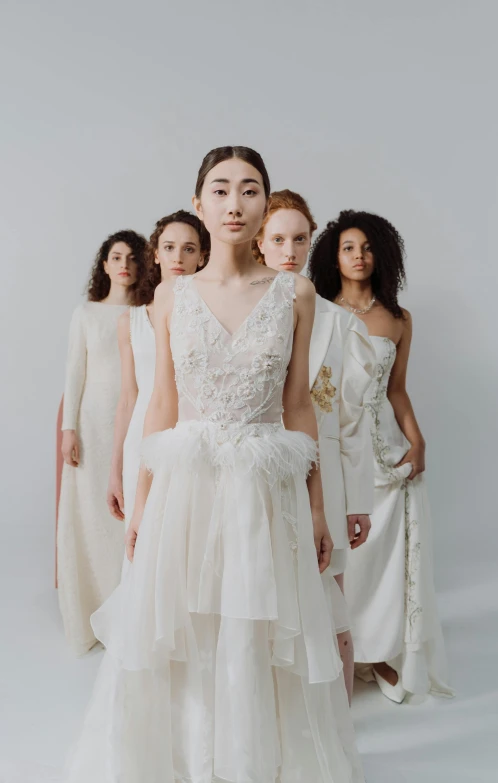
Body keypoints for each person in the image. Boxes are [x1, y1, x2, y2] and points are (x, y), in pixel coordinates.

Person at [55, 147, 364, 782]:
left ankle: (257, 761)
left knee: (255, 626)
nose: (234, 203)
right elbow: (162, 403)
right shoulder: (171, 296)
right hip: (185, 486)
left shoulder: (295, 293)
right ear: (200, 205)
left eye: (250, 191)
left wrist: (315, 506)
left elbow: (299, 403)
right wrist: (141, 502)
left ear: (265, 205)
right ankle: (187, 763)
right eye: (220, 190)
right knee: (184, 625)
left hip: (263, 488)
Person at [309, 209, 454, 703]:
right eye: (348, 247)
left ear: (382, 255)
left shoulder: (397, 318)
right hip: (337, 451)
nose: (358, 256)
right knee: (347, 561)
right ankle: (337, 654)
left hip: (387, 452)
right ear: (333, 254)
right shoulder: (316, 310)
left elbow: (397, 390)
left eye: (368, 247)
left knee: (385, 561)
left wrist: (418, 440)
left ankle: (378, 654)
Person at [254, 190, 375, 703]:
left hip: (323, 475)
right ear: (258, 241)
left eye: (299, 239)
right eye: (278, 238)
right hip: (258, 471)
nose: (289, 250)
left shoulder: (339, 321)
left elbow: (352, 420)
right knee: (266, 598)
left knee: (331, 602)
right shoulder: (244, 311)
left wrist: (358, 502)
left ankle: (339, 720)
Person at [57, 229, 147, 655]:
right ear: (105, 264)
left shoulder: (148, 313)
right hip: (93, 421)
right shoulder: (87, 314)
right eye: (116, 256)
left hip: (135, 418)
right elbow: (75, 373)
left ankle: (124, 606)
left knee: (128, 510)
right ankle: (89, 608)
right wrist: (68, 429)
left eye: (132, 256)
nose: (124, 263)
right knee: (92, 514)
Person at [107, 211, 208, 529]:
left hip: (193, 437)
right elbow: (127, 398)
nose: (178, 256)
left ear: (203, 257)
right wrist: (115, 467)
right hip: (141, 438)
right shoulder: (130, 322)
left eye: (189, 248)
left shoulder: (211, 320)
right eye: (169, 247)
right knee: (142, 538)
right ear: (156, 254)